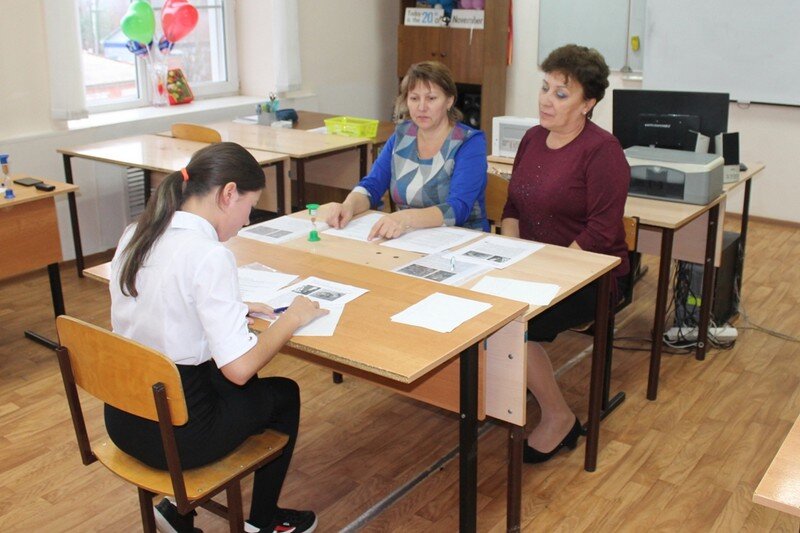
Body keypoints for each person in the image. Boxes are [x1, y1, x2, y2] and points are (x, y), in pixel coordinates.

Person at [106, 142, 328, 533]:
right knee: (283, 394)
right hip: (177, 439)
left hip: (125, 418)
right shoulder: (209, 254)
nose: (245, 221)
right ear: (228, 194)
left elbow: (163, 306)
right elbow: (239, 370)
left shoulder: (136, 232)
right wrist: (290, 319)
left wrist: (235, 308)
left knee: (231, 378)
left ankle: (179, 510)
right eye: (248, 207)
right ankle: (263, 521)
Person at [500, 44, 631, 464]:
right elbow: (512, 209)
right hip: (534, 266)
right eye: (545, 87)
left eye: (561, 93)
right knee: (481, 312)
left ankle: (559, 417)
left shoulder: (603, 151)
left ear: (588, 103)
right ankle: (502, 388)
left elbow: (601, 229)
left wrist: (547, 272)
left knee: (513, 327)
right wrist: (510, 254)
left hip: (590, 275)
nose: (545, 99)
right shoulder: (532, 138)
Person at [325, 61, 488, 239]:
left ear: (449, 101)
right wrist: (348, 205)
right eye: (414, 98)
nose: (421, 107)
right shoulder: (402, 135)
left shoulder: (469, 142)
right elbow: (372, 186)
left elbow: (458, 209)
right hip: (410, 238)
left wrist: (406, 218)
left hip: (463, 241)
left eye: (431, 98)